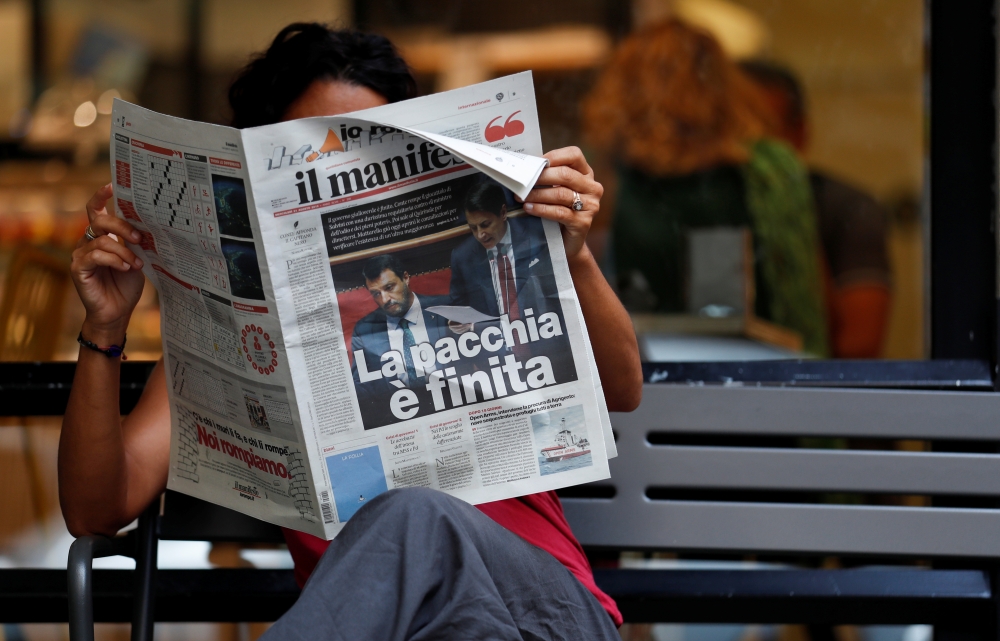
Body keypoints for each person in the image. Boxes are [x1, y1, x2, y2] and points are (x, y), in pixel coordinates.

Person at [59, 23, 642, 640]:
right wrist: (105, 327)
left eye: (370, 150)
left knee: (417, 516)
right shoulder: (238, 342)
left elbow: (623, 388)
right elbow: (96, 509)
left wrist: (572, 257)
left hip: (549, 613)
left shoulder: (470, 279)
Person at [582, 18, 829, 356]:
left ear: (622, 86)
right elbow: (802, 298)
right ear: (723, 81)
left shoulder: (603, 173)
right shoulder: (768, 168)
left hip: (641, 372)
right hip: (757, 371)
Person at [739, 59, 892, 358]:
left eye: (764, 132)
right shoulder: (701, 198)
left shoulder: (848, 207)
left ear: (800, 134)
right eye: (733, 130)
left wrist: (791, 223)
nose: (749, 150)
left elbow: (859, 347)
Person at [351, 254, 451, 426]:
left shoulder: (445, 308)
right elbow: (361, 388)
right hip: (400, 417)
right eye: (376, 293)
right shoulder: (364, 330)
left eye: (389, 287)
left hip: (449, 405)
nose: (384, 299)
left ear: (405, 278)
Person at [450, 179, 558, 319]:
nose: (480, 235)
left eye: (485, 225)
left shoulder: (537, 234)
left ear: (503, 213)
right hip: (492, 336)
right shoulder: (462, 257)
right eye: (473, 228)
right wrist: (459, 323)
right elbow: (458, 307)